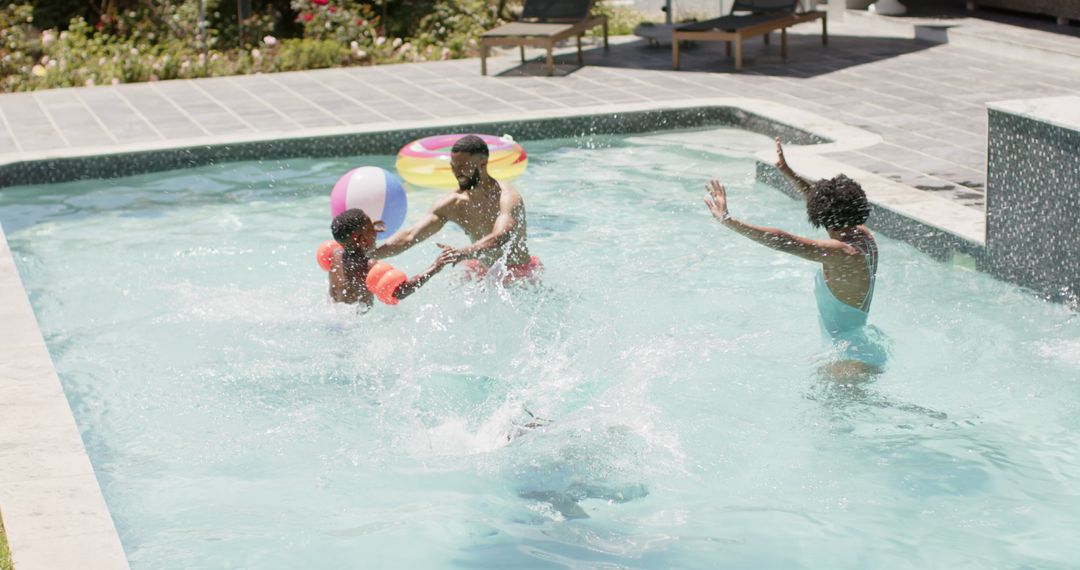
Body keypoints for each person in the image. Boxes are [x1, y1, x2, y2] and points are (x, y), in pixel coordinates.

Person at [703, 138, 888, 379]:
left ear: (821, 215)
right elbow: (822, 202)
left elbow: (783, 240)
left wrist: (729, 221)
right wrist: (788, 172)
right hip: (860, 346)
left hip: (848, 360)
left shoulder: (842, 253)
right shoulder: (863, 235)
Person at [375, 135, 541, 284]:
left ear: (483, 162)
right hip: (482, 269)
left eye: (464, 166)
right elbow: (410, 236)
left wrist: (464, 252)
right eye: (454, 166)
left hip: (517, 271)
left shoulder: (507, 197)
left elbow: (501, 236)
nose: (457, 172)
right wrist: (370, 255)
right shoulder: (452, 204)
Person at [328, 208, 450, 306]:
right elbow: (401, 292)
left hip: (336, 314)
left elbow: (357, 244)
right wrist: (436, 266)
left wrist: (368, 231)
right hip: (354, 324)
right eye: (372, 230)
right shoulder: (368, 265)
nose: (375, 232)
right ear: (362, 240)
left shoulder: (336, 254)